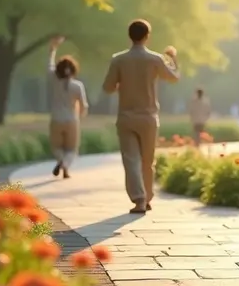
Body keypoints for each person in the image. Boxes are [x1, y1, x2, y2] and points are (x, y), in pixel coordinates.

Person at [102, 19, 180, 213]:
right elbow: (173, 78)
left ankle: (139, 199)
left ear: (130, 36)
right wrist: (173, 59)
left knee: (131, 160)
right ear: (147, 36)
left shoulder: (118, 59)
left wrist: (123, 83)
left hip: (126, 116)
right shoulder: (155, 59)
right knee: (147, 161)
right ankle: (147, 197)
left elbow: (108, 87)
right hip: (148, 117)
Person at [47, 36, 89, 179]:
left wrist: (53, 49)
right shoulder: (78, 86)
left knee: (56, 147)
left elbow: (49, 65)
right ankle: (65, 165)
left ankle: (62, 164)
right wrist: (81, 116)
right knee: (72, 149)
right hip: (71, 120)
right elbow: (84, 105)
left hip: (56, 119)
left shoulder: (53, 79)